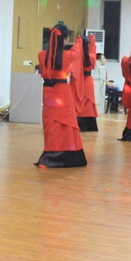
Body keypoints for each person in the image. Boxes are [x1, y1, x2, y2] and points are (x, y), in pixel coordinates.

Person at [35, 23, 87, 168]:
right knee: (66, 125)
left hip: (48, 93)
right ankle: (69, 152)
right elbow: (76, 51)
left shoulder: (41, 55)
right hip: (63, 93)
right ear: (64, 39)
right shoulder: (68, 55)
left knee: (51, 124)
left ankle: (51, 153)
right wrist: (79, 40)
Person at [71, 34, 99, 131]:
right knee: (88, 103)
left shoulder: (78, 57)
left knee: (79, 100)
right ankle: (89, 125)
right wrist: (92, 39)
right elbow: (93, 50)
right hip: (88, 80)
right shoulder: (91, 57)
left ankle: (79, 123)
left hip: (80, 80)